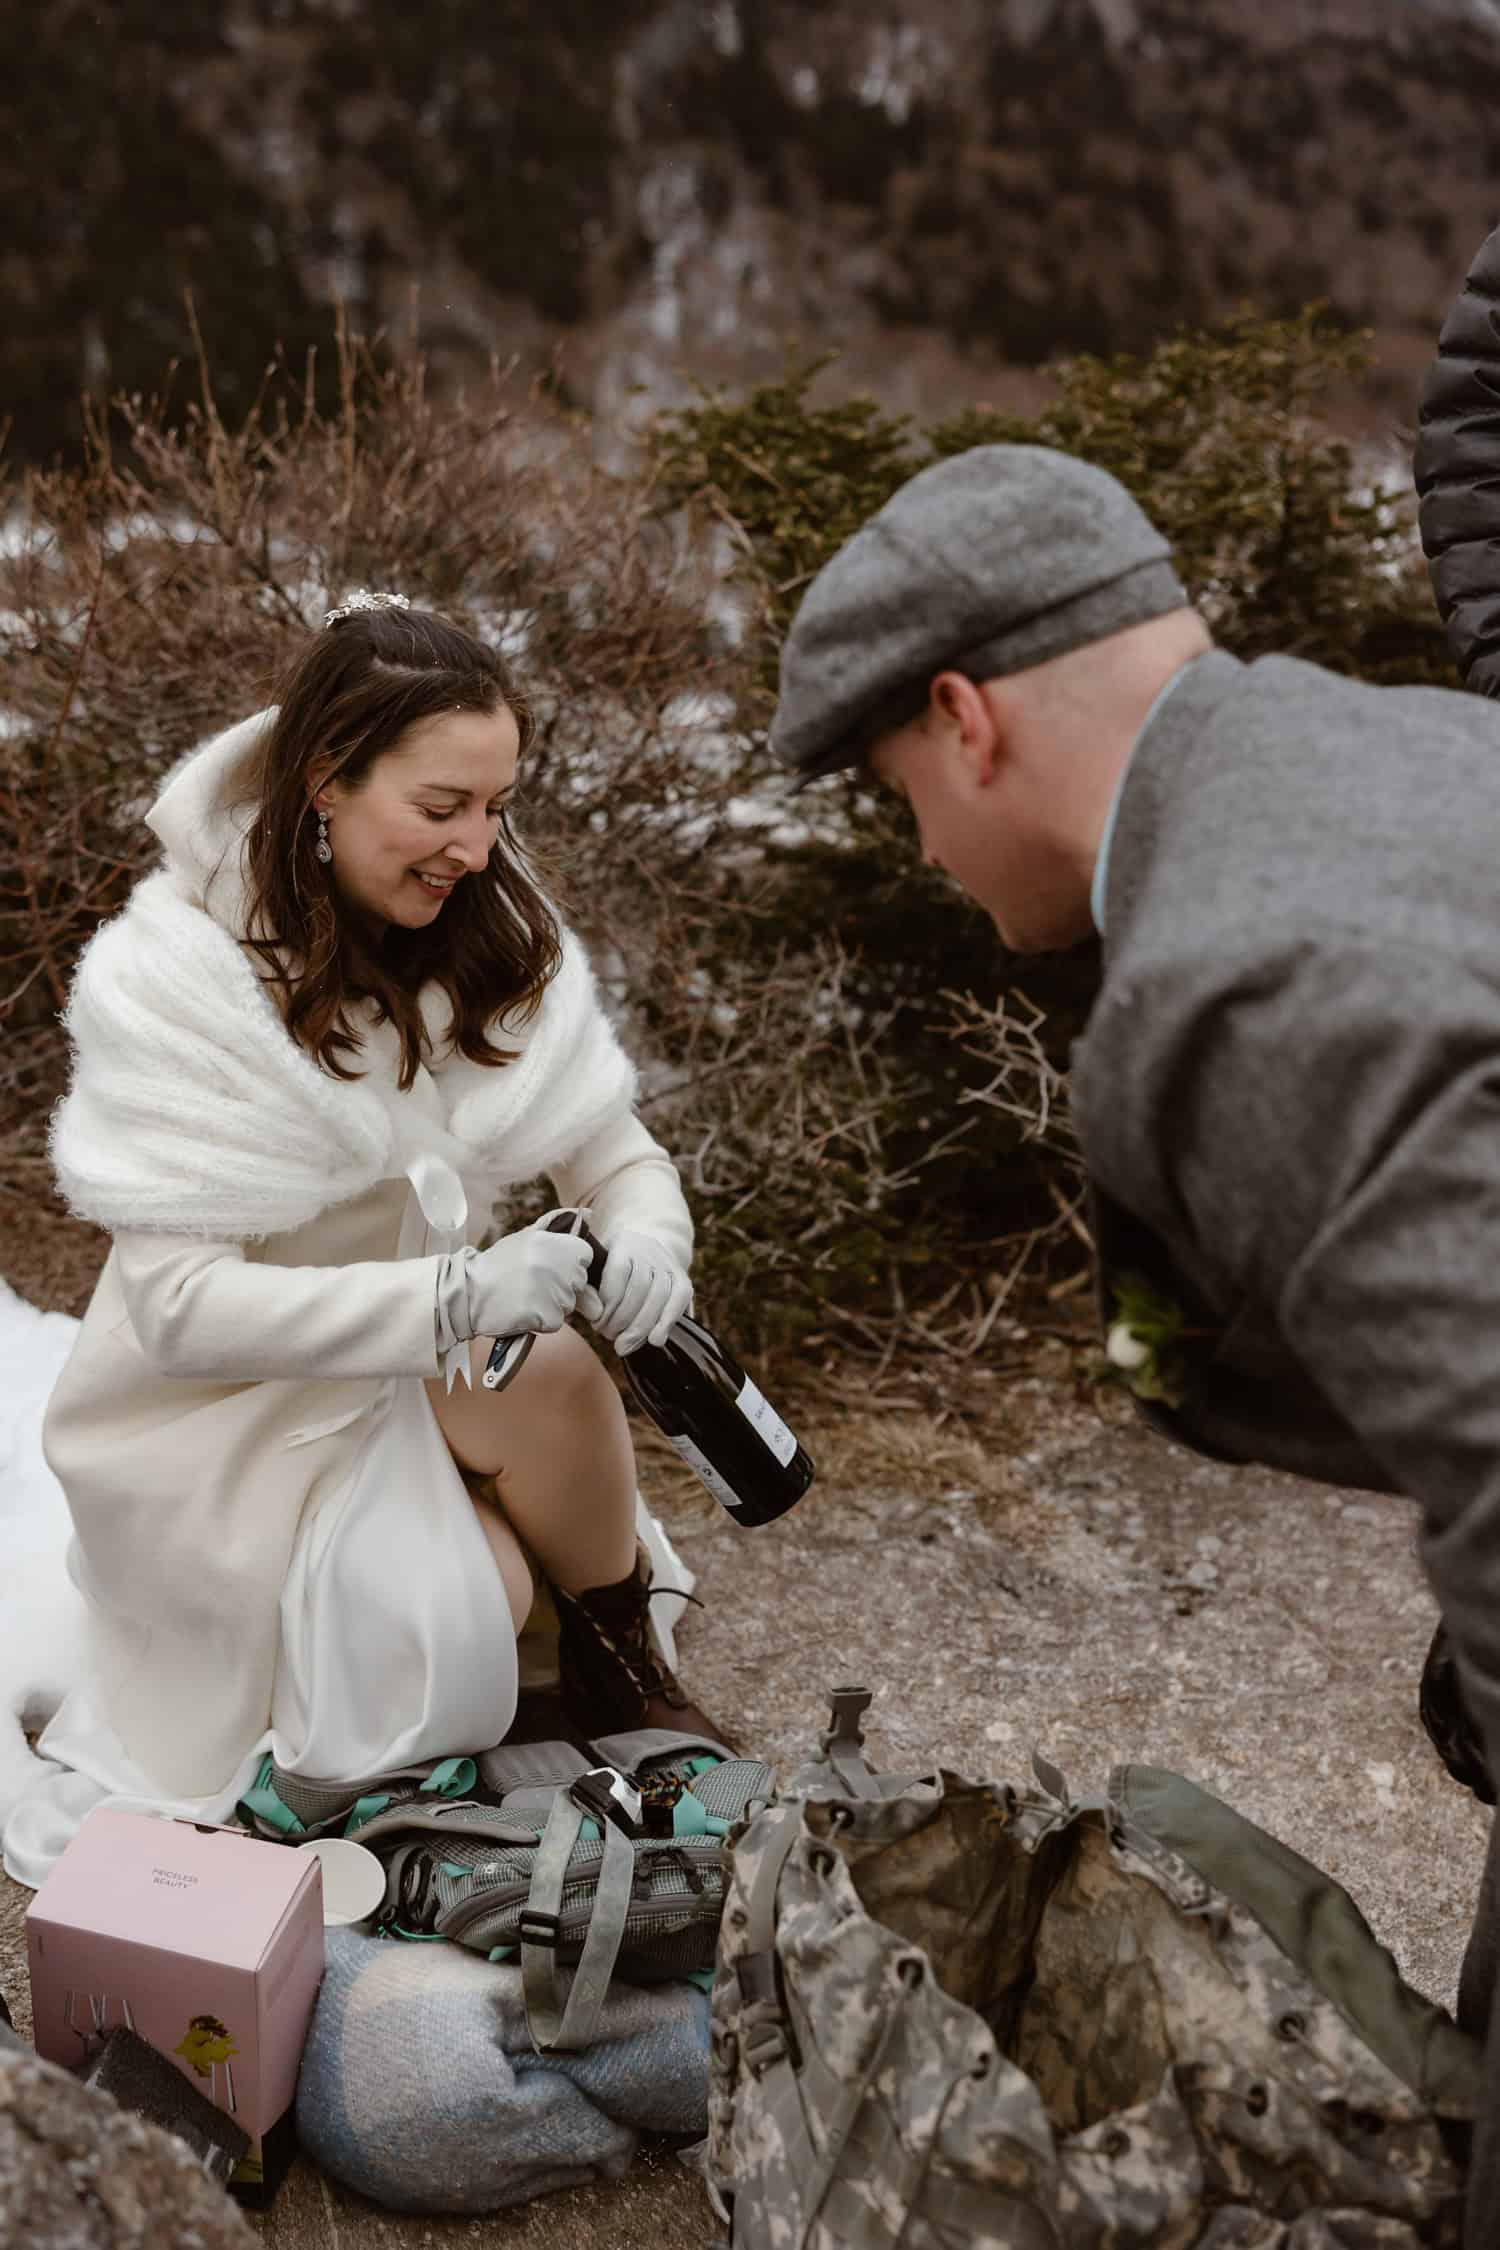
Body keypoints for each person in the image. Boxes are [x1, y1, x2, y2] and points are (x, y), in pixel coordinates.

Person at [766, 443, 1500, 2243]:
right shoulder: (1411, 747)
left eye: (894, 797)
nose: (928, 858)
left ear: (965, 718)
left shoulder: (1231, 981)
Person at [3, 590, 725, 1889]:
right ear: (328, 780)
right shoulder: (191, 977)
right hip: (225, 1406)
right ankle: (525, 1618)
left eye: (499, 806)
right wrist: (456, 1292)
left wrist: (650, 1237)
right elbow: (177, 1309)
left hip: (408, 1350)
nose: (478, 843)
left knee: (558, 1378)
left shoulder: (487, 923)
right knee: (478, 1607)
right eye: (442, 807)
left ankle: (624, 1666)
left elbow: (613, 1149)